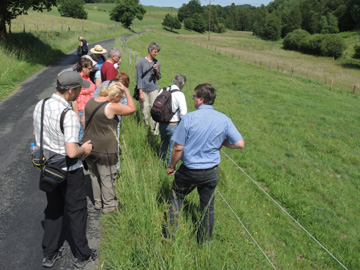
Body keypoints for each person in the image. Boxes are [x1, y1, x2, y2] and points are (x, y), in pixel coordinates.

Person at [163, 83, 244, 244]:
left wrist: (171, 166)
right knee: (207, 208)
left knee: (176, 198)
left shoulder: (189, 119)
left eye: (194, 96)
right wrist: (222, 143)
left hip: (189, 170)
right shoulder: (224, 119)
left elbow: (178, 147)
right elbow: (239, 143)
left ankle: (168, 237)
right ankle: (204, 242)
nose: (193, 99)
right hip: (211, 171)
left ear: (200, 99)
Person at [33, 71, 97, 268]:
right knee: (77, 211)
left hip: (49, 168)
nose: (80, 92)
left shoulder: (40, 105)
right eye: (79, 89)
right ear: (70, 91)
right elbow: (71, 152)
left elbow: (37, 134)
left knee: (53, 210)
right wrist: (84, 149)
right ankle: (81, 255)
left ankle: (49, 253)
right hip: (69, 172)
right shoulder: (68, 114)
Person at [81, 82, 136, 214]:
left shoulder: (90, 102)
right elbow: (132, 109)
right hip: (106, 149)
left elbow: (83, 121)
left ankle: (98, 202)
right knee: (107, 177)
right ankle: (109, 206)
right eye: (120, 97)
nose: (120, 101)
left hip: (88, 145)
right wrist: (127, 92)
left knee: (94, 175)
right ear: (116, 96)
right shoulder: (111, 107)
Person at [158, 74, 187, 167]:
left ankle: (160, 163)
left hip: (162, 123)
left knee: (163, 145)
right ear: (182, 85)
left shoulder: (163, 90)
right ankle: (170, 169)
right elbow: (183, 114)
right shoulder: (180, 95)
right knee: (173, 148)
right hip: (173, 125)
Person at [136, 42, 161, 135]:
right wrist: (140, 92)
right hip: (143, 90)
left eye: (157, 52)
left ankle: (154, 130)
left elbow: (158, 77)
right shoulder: (141, 62)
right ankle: (146, 127)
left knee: (154, 110)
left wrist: (157, 70)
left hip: (154, 89)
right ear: (150, 51)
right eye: (155, 51)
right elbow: (138, 77)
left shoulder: (157, 62)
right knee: (144, 110)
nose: (156, 53)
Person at [72, 57, 96, 140]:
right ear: (83, 68)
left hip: (90, 110)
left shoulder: (87, 77)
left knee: (89, 135)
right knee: (82, 136)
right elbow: (73, 99)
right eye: (89, 68)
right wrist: (77, 115)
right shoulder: (77, 79)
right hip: (81, 110)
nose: (91, 70)